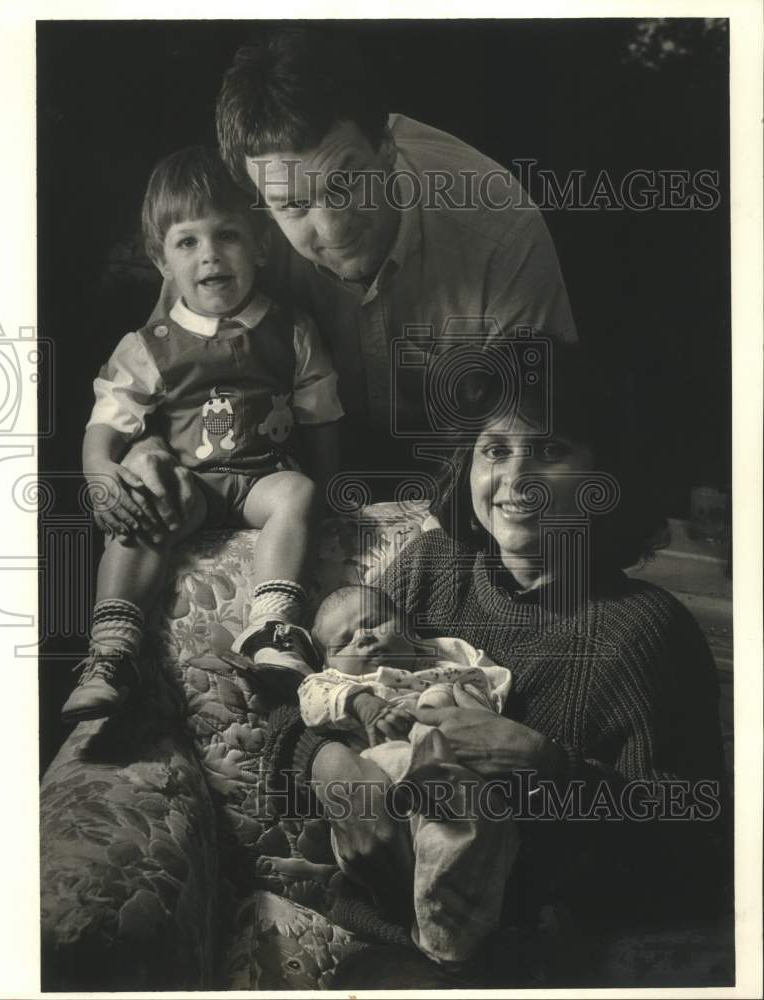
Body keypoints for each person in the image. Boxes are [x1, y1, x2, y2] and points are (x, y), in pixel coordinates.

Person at [264, 340, 729, 984]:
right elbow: (304, 701)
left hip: (527, 955)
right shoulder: (431, 568)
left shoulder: (647, 631)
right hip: (376, 920)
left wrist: (549, 768)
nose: (515, 479)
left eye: (550, 449)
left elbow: (691, 853)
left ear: (605, 479)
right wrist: (332, 769)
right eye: (495, 449)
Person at [126, 25, 578, 517]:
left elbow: (544, 426)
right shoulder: (231, 225)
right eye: (293, 204)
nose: (333, 230)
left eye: (346, 184)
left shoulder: (501, 230)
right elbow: (163, 363)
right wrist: (145, 445)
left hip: (464, 462)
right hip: (291, 467)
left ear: (386, 149)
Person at [62, 146, 343, 722]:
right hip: (194, 484)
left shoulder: (291, 329)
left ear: (262, 243)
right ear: (161, 260)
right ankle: (112, 651)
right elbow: (107, 419)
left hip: (265, 480)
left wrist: (328, 494)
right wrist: (100, 470)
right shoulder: (150, 343)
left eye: (229, 236)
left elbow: (322, 419)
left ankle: (272, 627)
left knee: (299, 493)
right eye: (187, 242)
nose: (210, 255)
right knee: (143, 513)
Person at [298, 582, 517, 967]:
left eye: (376, 623)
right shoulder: (340, 683)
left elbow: (491, 682)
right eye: (344, 641)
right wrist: (363, 704)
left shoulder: (445, 658)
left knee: (484, 819)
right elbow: (310, 698)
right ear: (328, 664)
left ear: (410, 629)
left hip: (453, 770)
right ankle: (441, 935)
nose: (364, 638)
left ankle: (448, 926)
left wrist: (457, 699)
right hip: (383, 775)